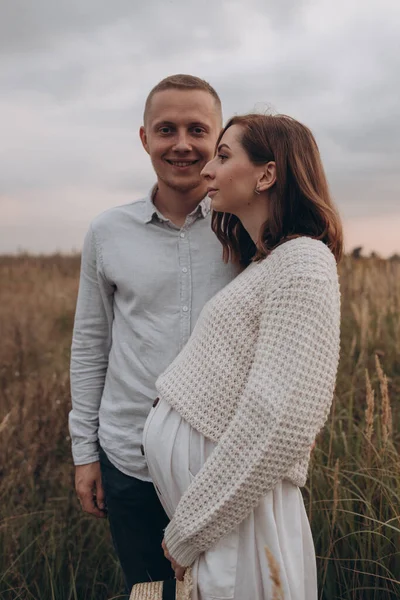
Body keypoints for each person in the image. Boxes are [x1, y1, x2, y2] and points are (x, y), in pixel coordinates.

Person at [142, 113, 343, 599]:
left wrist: (188, 532)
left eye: (224, 156)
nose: (207, 170)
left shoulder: (304, 263)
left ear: (267, 174)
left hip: (240, 514)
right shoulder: (269, 263)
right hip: (230, 514)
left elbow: (281, 420)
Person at [68, 74, 240, 592]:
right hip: (129, 457)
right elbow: (90, 343)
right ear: (145, 138)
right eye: (166, 129)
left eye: (197, 129)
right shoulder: (107, 231)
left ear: (219, 140)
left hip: (224, 462)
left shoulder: (247, 228)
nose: (182, 144)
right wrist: (85, 453)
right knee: (148, 590)